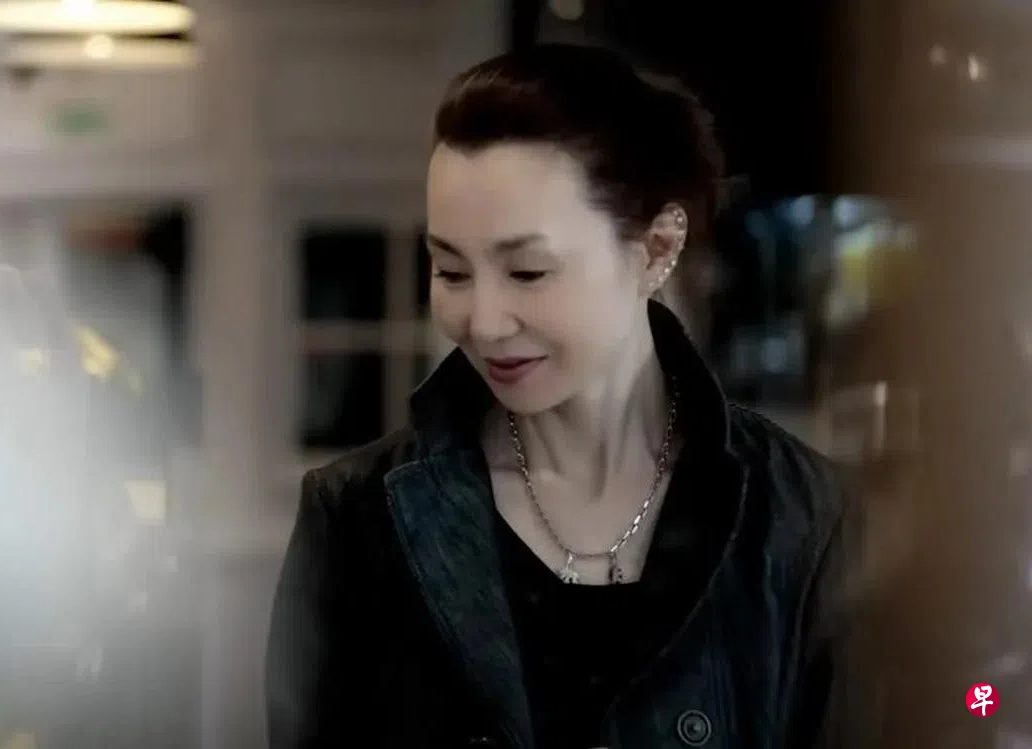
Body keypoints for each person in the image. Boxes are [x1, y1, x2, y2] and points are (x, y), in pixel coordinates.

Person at [266, 43, 852, 749]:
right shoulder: (354, 518)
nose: (483, 322)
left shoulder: (804, 518)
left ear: (656, 249)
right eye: (451, 271)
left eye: (528, 271)